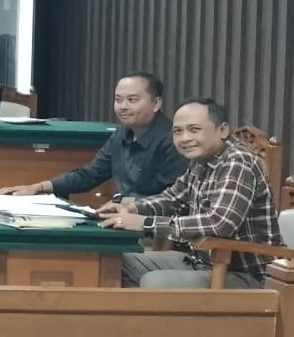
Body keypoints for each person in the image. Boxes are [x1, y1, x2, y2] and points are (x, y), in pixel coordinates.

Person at [99, 98, 282, 288]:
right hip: (202, 263)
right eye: (177, 131)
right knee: (113, 263)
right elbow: (172, 199)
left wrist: (145, 223)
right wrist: (131, 208)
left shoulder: (238, 162)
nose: (185, 138)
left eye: (194, 129)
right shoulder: (200, 161)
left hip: (248, 275)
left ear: (222, 130)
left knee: (156, 282)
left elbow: (219, 224)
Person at [0, 73, 186, 200]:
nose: (123, 106)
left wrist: (130, 207)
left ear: (156, 103)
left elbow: (173, 199)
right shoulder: (121, 134)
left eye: (132, 100)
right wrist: (38, 187)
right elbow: (90, 175)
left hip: (151, 229)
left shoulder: (172, 141)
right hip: (123, 217)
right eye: (118, 100)